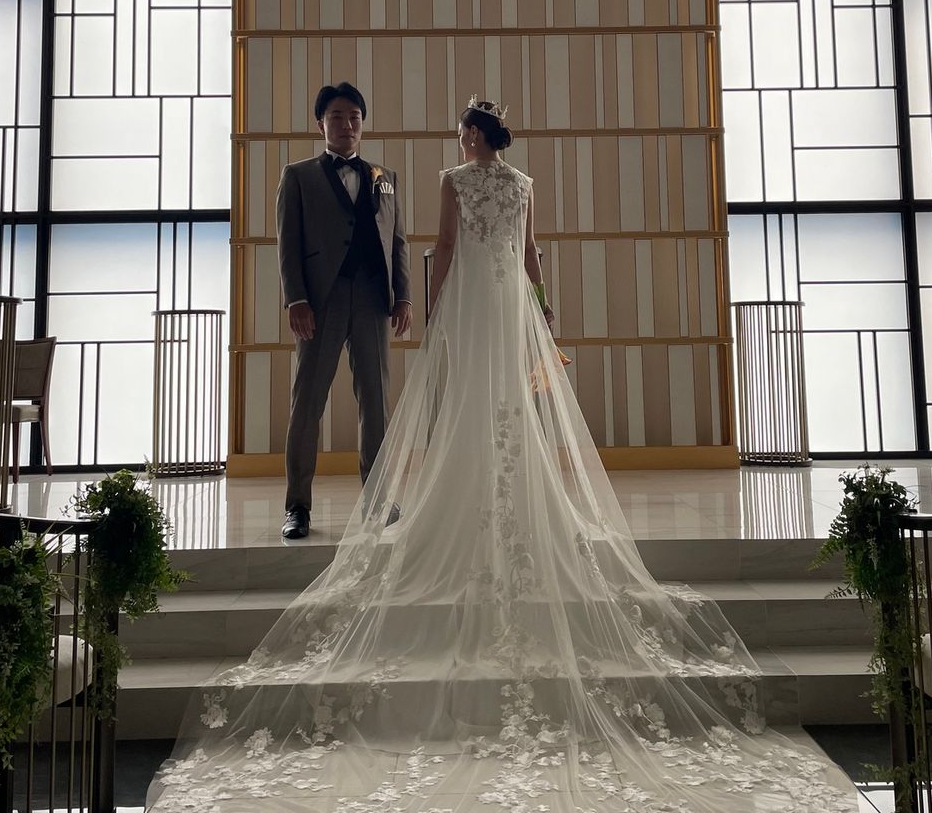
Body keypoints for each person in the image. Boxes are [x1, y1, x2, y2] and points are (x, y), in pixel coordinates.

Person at [149, 96, 855, 812]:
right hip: (502, 300)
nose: (458, 139)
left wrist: (431, 307)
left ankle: (417, 497)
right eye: (340, 116)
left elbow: (441, 248)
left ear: (471, 135)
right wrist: (541, 306)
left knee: (440, 401)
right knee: (482, 402)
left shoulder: (448, 180)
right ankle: (321, 502)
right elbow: (531, 254)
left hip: (466, 301)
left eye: (462, 131)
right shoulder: (517, 184)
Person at [275, 82, 412, 540]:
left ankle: (379, 501)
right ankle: (297, 506)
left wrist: (404, 296)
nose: (347, 124)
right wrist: (296, 299)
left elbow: (397, 241)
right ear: (321, 124)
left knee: (377, 403)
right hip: (320, 303)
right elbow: (288, 243)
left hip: (373, 300)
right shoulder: (298, 176)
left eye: (354, 117)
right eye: (337, 116)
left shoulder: (385, 176)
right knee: (307, 404)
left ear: (362, 124)